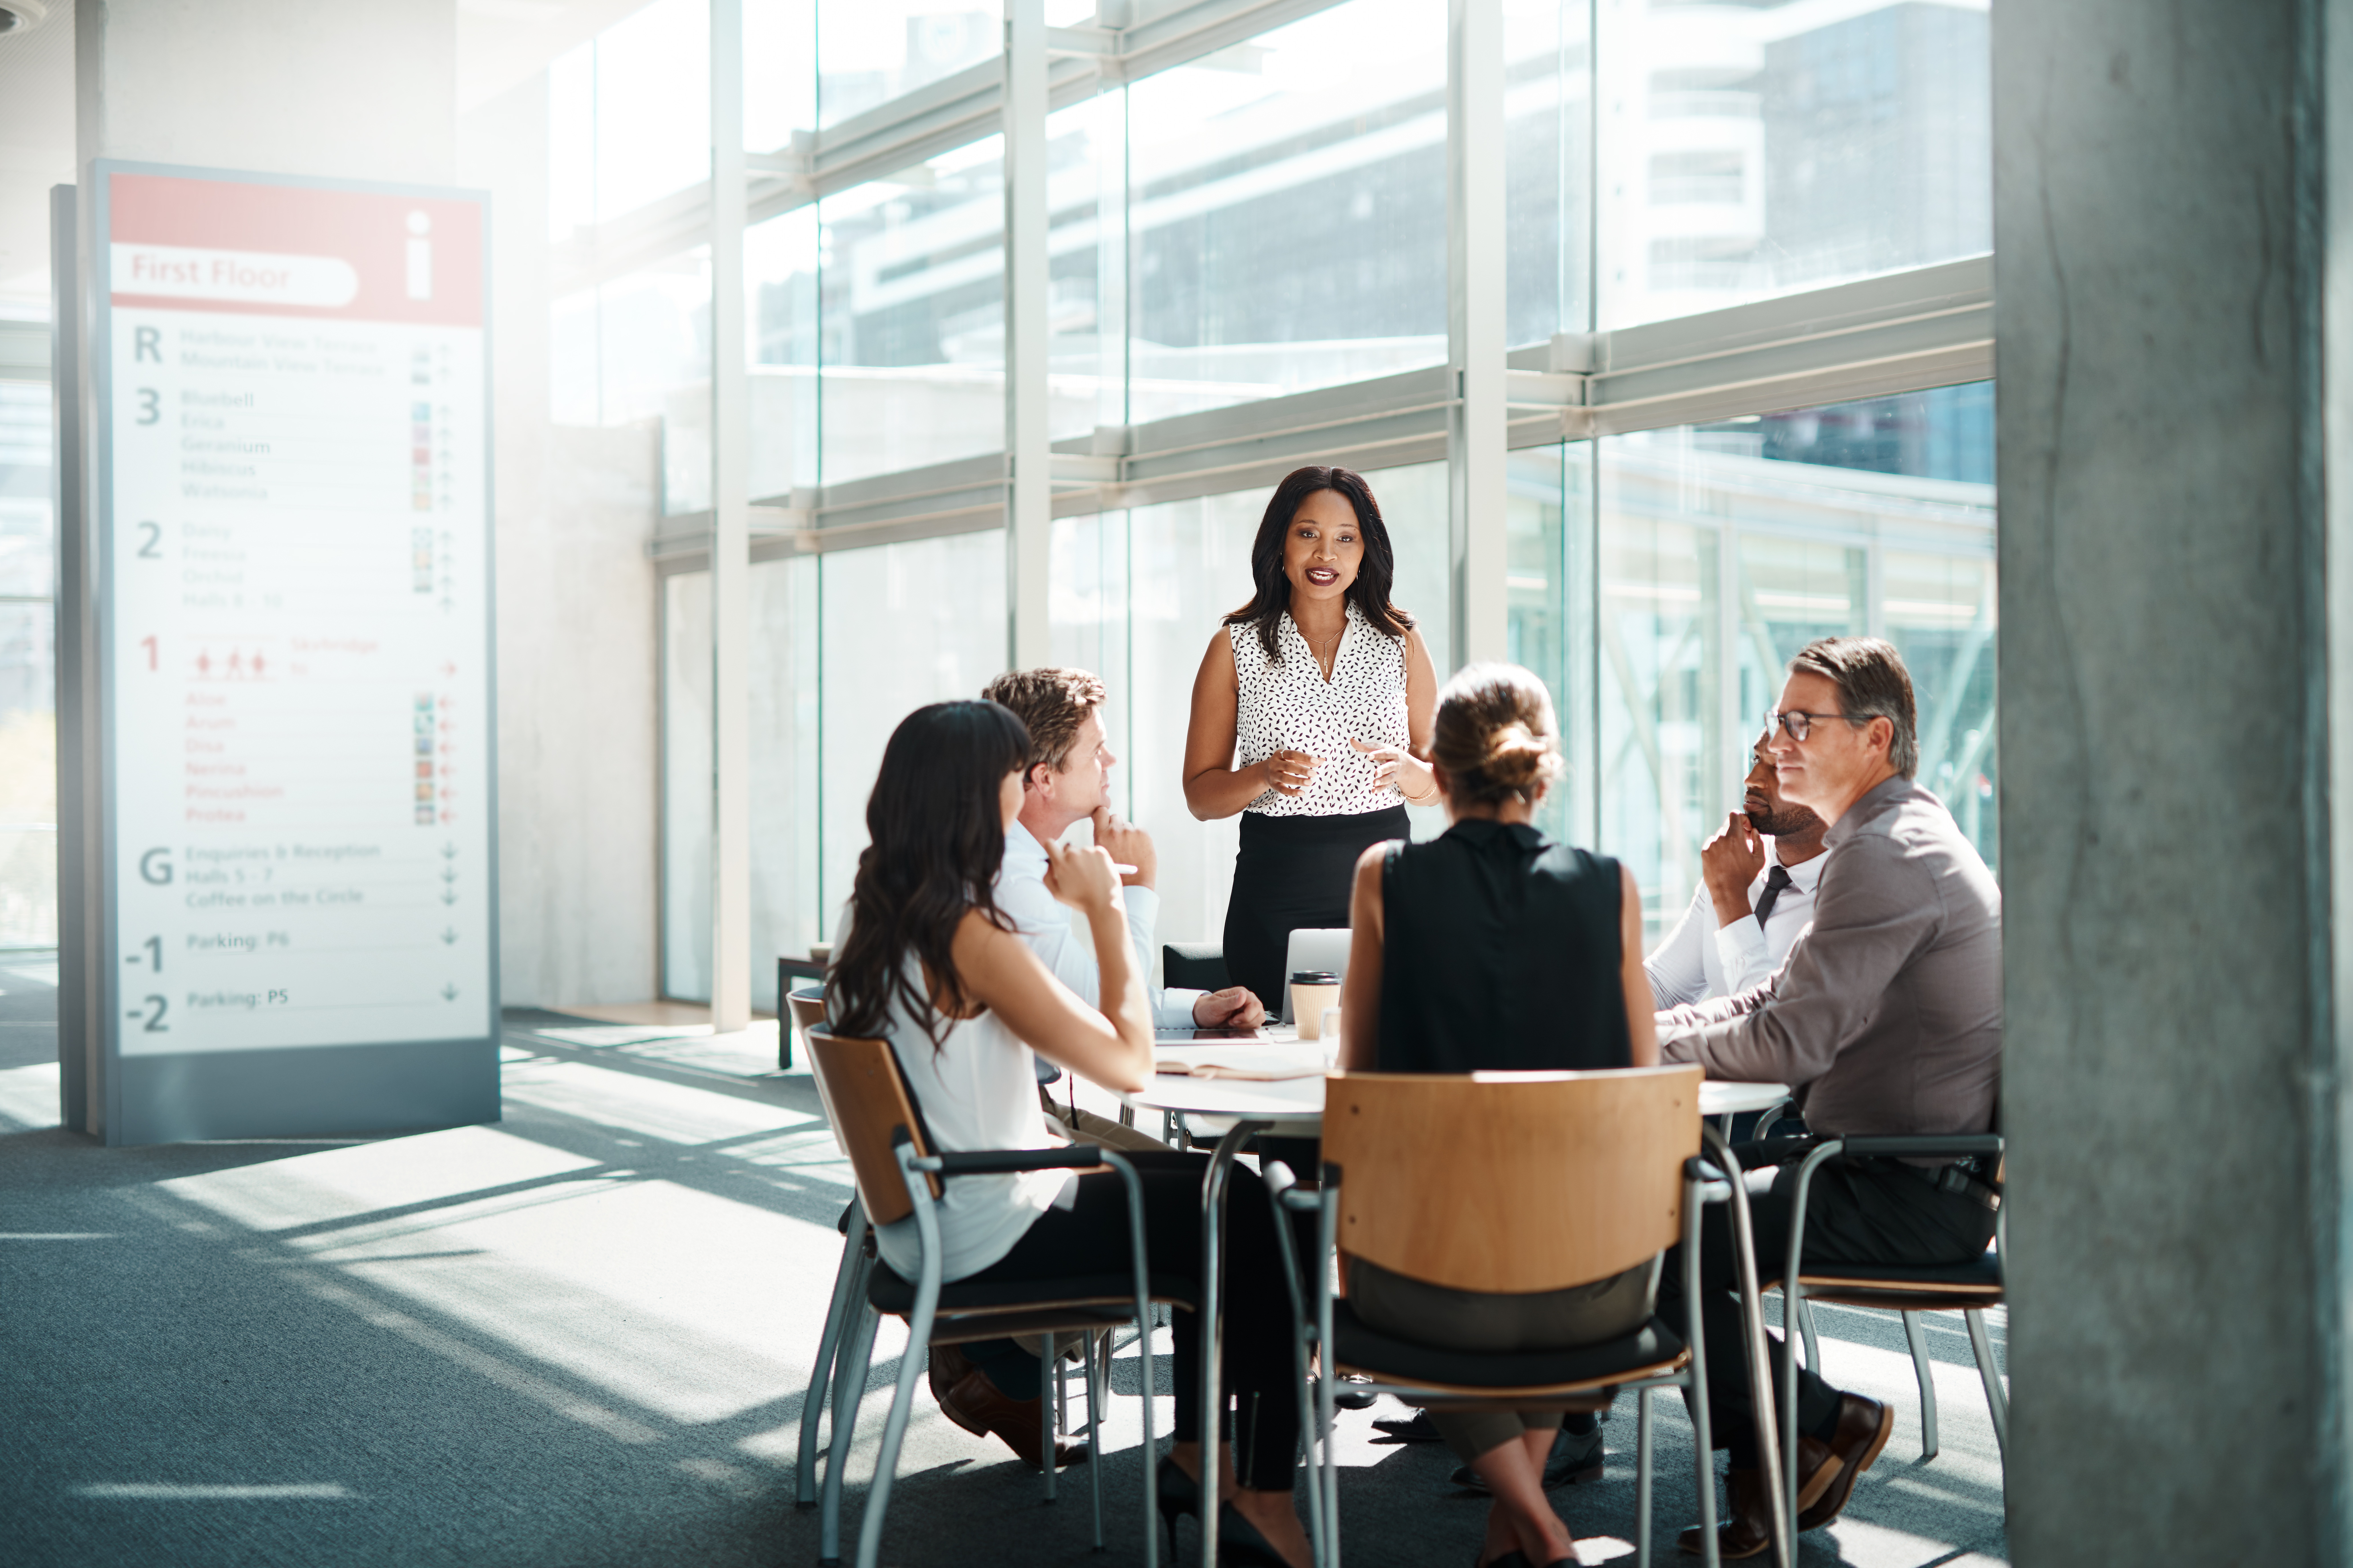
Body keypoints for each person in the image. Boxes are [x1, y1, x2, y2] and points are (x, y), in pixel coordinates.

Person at [829, 700, 1314, 1568]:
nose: (1026, 796)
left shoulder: (871, 917)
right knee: (1248, 1205)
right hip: (992, 1228)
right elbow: (1126, 1063)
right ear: (983, 795)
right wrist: (1106, 908)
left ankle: (1202, 1459)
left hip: (922, 1226)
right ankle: (1263, 1497)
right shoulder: (968, 933)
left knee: (1218, 1199)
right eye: (1017, 779)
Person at [1652, 637, 2001, 1559]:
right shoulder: (1888, 836)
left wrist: (1640, 1047)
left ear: (1874, 738)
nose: (1778, 742)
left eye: (1800, 723)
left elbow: (1791, 1042)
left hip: (1898, 1189)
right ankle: (1787, 1457)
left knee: (1655, 1236)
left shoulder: (1884, 852)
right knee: (1671, 1198)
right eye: (1776, 721)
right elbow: (1775, 998)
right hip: (1888, 1171)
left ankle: (1822, 1421)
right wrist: (1648, 1038)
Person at [1334, 663, 1657, 1568]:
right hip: (1596, 1287)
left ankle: (1535, 1529)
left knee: (1405, 1261)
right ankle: (1521, 1527)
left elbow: (1360, 1082)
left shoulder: (1384, 875)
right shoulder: (1613, 884)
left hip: (1425, 1282)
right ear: (1542, 773)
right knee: (1554, 1230)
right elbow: (1637, 1085)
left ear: (1434, 769)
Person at [925, 669, 1271, 1469]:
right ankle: (1216, 1459)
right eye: (1097, 749)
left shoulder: (926, 887)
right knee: (1227, 1200)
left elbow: (1089, 1005)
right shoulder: (999, 889)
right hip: (997, 1184)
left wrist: (1193, 1004)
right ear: (1039, 776)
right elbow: (1124, 1049)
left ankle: (1008, 1357)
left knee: (1213, 1189)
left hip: (945, 1174)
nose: (1111, 763)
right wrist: (1130, 896)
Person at [1182, 464, 1440, 1014]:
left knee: (1385, 1043)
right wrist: (1261, 775)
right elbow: (1200, 796)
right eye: (1309, 534)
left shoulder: (1402, 641)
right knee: (1279, 1039)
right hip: (1275, 888)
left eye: (1346, 538)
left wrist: (1412, 774)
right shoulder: (1235, 646)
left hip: (1385, 884)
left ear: (1366, 550)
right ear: (1280, 541)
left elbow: (1444, 780)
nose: (1327, 555)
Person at [1646, 730, 1830, 1007]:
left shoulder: (1850, 894)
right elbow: (1665, 989)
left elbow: (1778, 1034)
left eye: (1779, 766)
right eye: (1756, 758)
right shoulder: (1738, 862)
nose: (1752, 779)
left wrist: (1730, 897)